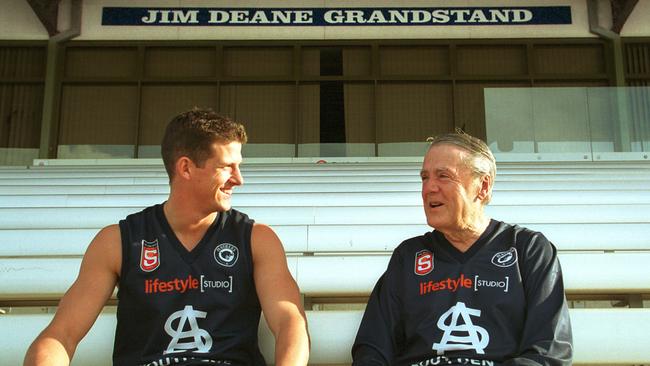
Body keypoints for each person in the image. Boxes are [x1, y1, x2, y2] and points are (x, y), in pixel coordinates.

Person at [24, 109, 310, 366]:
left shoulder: (256, 239)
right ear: (185, 168)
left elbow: (290, 323)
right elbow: (61, 335)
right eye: (226, 167)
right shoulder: (118, 242)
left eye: (239, 166)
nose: (239, 179)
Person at [352, 131, 572, 366]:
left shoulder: (528, 250)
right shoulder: (409, 256)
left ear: (483, 186)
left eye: (443, 176)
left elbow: (548, 352)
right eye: (424, 178)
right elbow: (372, 349)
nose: (429, 188)